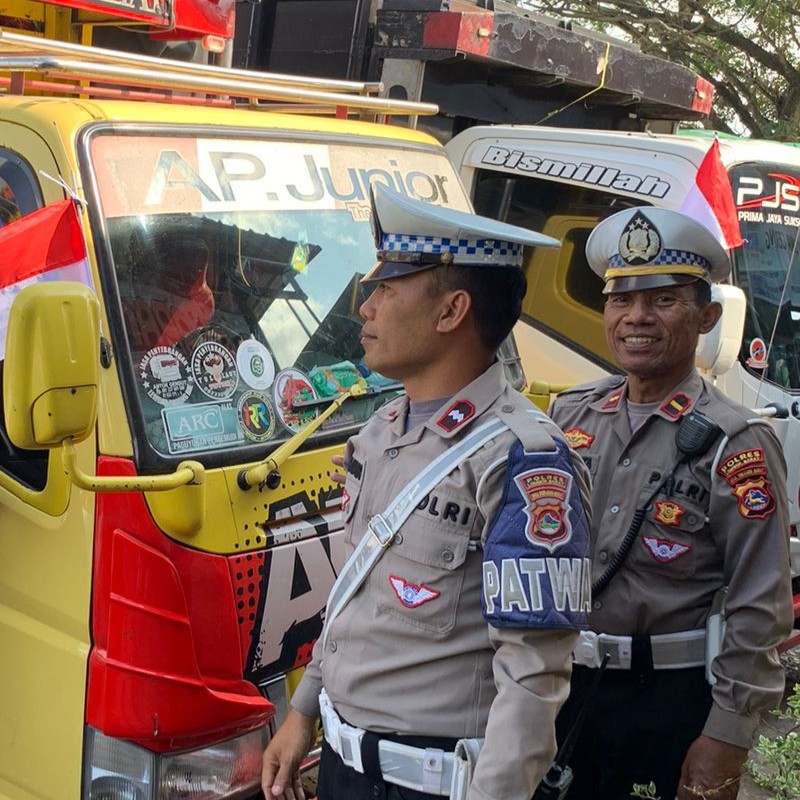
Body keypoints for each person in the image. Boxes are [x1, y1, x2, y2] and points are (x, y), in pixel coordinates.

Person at [261, 184, 592, 800]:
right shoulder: (382, 430)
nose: (366, 307)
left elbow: (533, 678)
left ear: (451, 311)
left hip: (434, 783)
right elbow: (357, 598)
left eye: (387, 289)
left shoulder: (522, 460)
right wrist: (305, 709)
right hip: (343, 763)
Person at [550, 207, 792, 800]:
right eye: (620, 300)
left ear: (706, 315)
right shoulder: (568, 415)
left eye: (662, 301)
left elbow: (760, 605)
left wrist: (728, 736)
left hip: (666, 699)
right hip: (560, 684)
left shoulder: (738, 441)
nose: (636, 317)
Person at [123, 231, 216, 351]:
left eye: (198, 264)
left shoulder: (204, 299)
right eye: (184, 257)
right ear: (169, 260)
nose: (192, 267)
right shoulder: (146, 289)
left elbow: (196, 342)